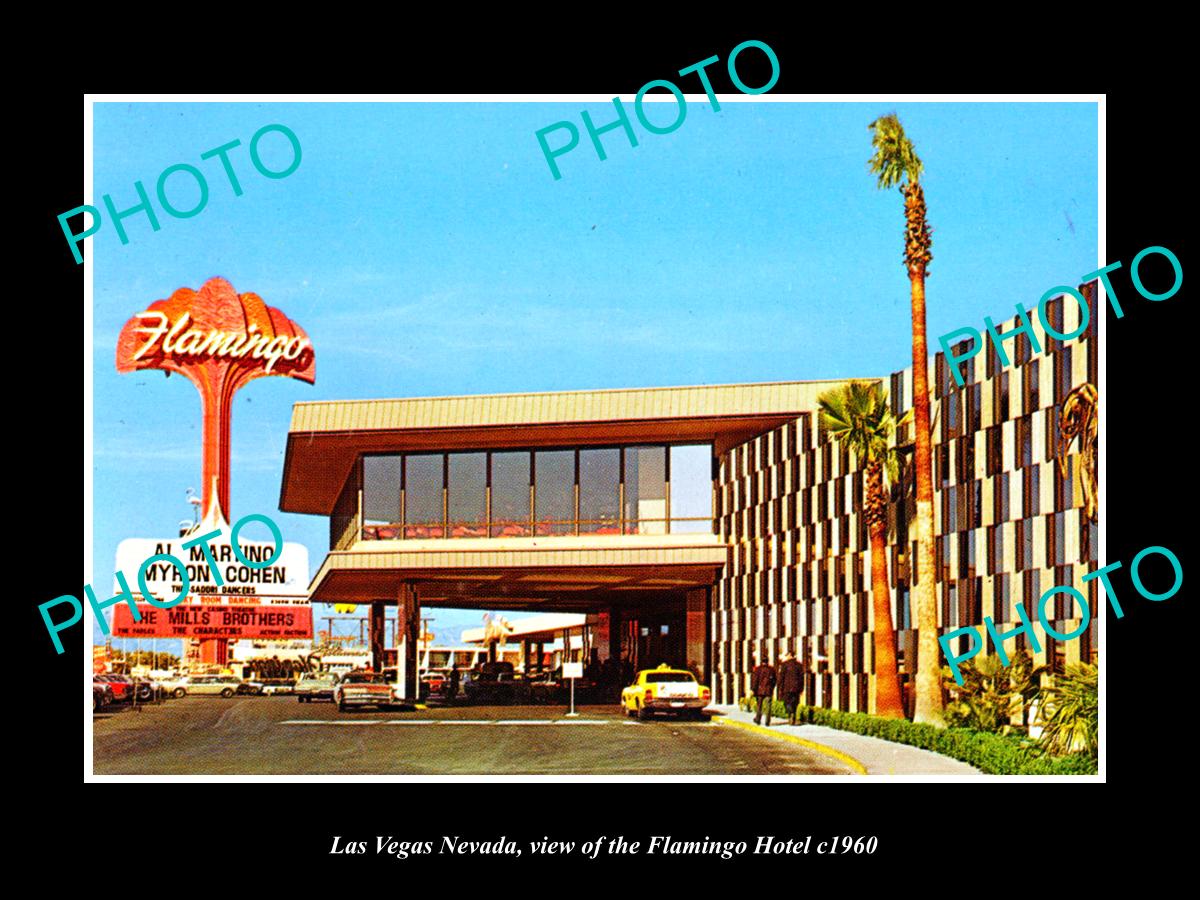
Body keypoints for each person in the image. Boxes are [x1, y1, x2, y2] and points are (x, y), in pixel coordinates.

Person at [776, 651, 804, 726]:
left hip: (787, 687)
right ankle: (793, 716)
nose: (786, 657)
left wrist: (779, 686)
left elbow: (781, 677)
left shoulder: (784, 665)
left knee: (786, 702)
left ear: (790, 655)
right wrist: (801, 688)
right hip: (796, 688)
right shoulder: (799, 665)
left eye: (787, 655)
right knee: (795, 703)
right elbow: (801, 678)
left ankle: (790, 713)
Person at [751, 655, 777, 726]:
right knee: (768, 706)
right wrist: (772, 687)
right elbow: (775, 680)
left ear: (762, 661)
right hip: (768, 690)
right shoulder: (772, 670)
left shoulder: (758, 669)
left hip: (760, 690)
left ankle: (758, 719)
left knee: (759, 705)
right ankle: (767, 722)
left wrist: (753, 689)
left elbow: (755, 680)